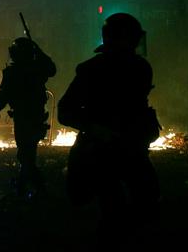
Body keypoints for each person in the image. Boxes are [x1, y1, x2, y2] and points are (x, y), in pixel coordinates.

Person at [58, 13, 160, 245]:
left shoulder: (140, 68)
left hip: (131, 146)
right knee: (113, 207)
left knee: (147, 200)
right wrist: (96, 129)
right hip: (103, 151)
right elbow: (66, 110)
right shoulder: (92, 70)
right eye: (131, 38)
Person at [0, 37, 56, 197]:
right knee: (27, 154)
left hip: (23, 118)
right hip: (36, 117)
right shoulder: (37, 68)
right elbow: (51, 69)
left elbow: (5, 93)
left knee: (25, 155)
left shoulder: (13, 72)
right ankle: (28, 186)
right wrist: (38, 50)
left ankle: (32, 187)